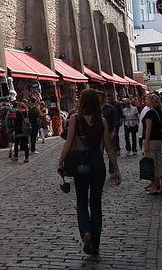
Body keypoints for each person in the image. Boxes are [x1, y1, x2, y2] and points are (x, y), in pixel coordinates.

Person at [58, 89, 121, 257]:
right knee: (96, 204)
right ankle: (96, 244)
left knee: (81, 202)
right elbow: (109, 147)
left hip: (81, 165)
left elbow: (68, 143)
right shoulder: (102, 121)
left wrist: (60, 162)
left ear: (83, 101)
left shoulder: (74, 119)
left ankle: (85, 232)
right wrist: (116, 170)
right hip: (98, 164)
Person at [142, 93, 162, 195]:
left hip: (151, 140)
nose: (145, 101)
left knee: (152, 164)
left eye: (147, 99)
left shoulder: (150, 113)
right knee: (159, 163)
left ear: (151, 101)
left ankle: (154, 187)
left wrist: (146, 142)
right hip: (159, 139)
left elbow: (148, 128)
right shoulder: (158, 112)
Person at [97, 91, 118, 179]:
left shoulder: (110, 108)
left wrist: (114, 131)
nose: (98, 98)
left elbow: (115, 120)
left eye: (99, 96)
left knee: (110, 150)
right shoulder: (95, 108)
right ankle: (100, 171)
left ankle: (112, 170)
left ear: (103, 97)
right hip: (98, 132)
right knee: (99, 152)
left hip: (109, 131)